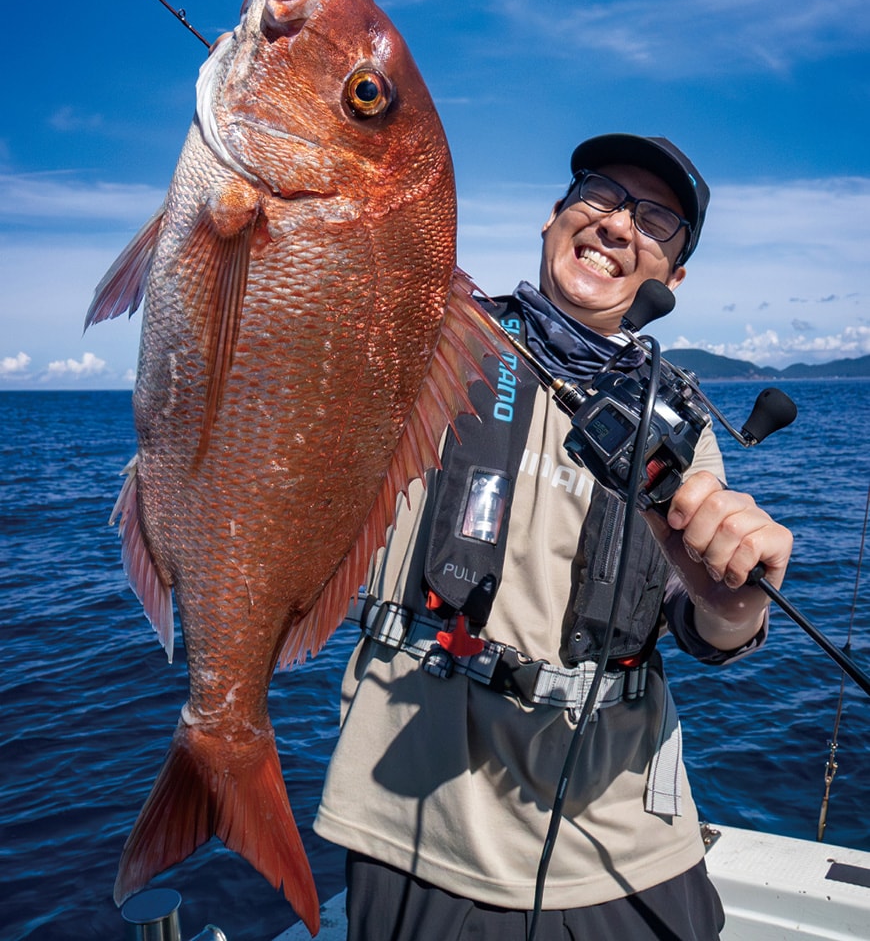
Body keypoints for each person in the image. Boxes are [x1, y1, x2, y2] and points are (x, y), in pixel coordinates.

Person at [314, 133, 793, 940]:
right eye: (600, 195)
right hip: (420, 823)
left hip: (625, 839)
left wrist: (733, 605)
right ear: (552, 218)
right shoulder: (424, 341)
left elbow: (709, 627)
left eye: (654, 222)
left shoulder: (684, 427)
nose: (617, 225)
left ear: (673, 278)